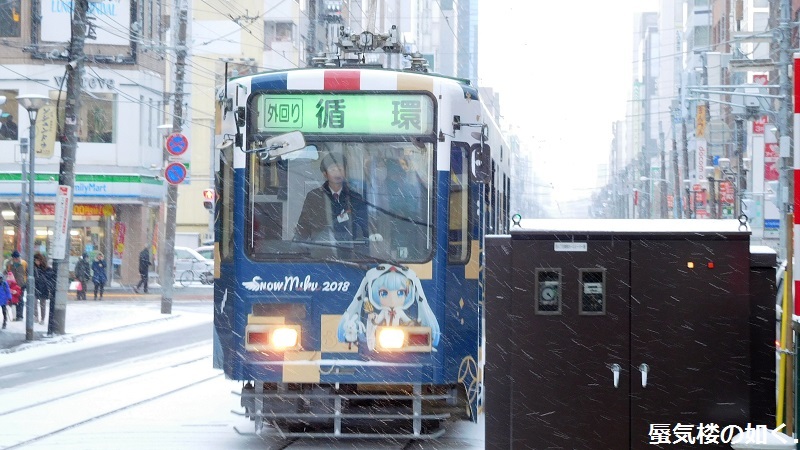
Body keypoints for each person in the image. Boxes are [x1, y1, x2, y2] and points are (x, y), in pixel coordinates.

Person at [293, 153, 378, 244]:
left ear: (345, 172)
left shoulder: (355, 198)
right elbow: (304, 225)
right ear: (325, 174)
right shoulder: (314, 196)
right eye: (333, 169)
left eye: (340, 169)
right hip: (321, 247)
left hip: (351, 251)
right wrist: (297, 245)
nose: (337, 173)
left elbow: (364, 226)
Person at [33, 253, 55, 325]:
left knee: (42, 304)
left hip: (44, 288)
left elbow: (49, 277)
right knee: (34, 303)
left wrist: (46, 282)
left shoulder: (46, 268)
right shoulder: (34, 268)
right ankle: (36, 316)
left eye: (37, 260)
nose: (36, 262)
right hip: (36, 287)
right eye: (35, 260)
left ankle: (42, 318)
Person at [5, 251, 27, 321]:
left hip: (21, 284)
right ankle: (14, 315)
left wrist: (24, 282)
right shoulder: (9, 264)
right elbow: (6, 272)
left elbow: (28, 273)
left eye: (17, 258)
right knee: (13, 300)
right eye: (14, 258)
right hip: (12, 285)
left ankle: (20, 315)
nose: (16, 259)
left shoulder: (24, 263)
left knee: (20, 300)